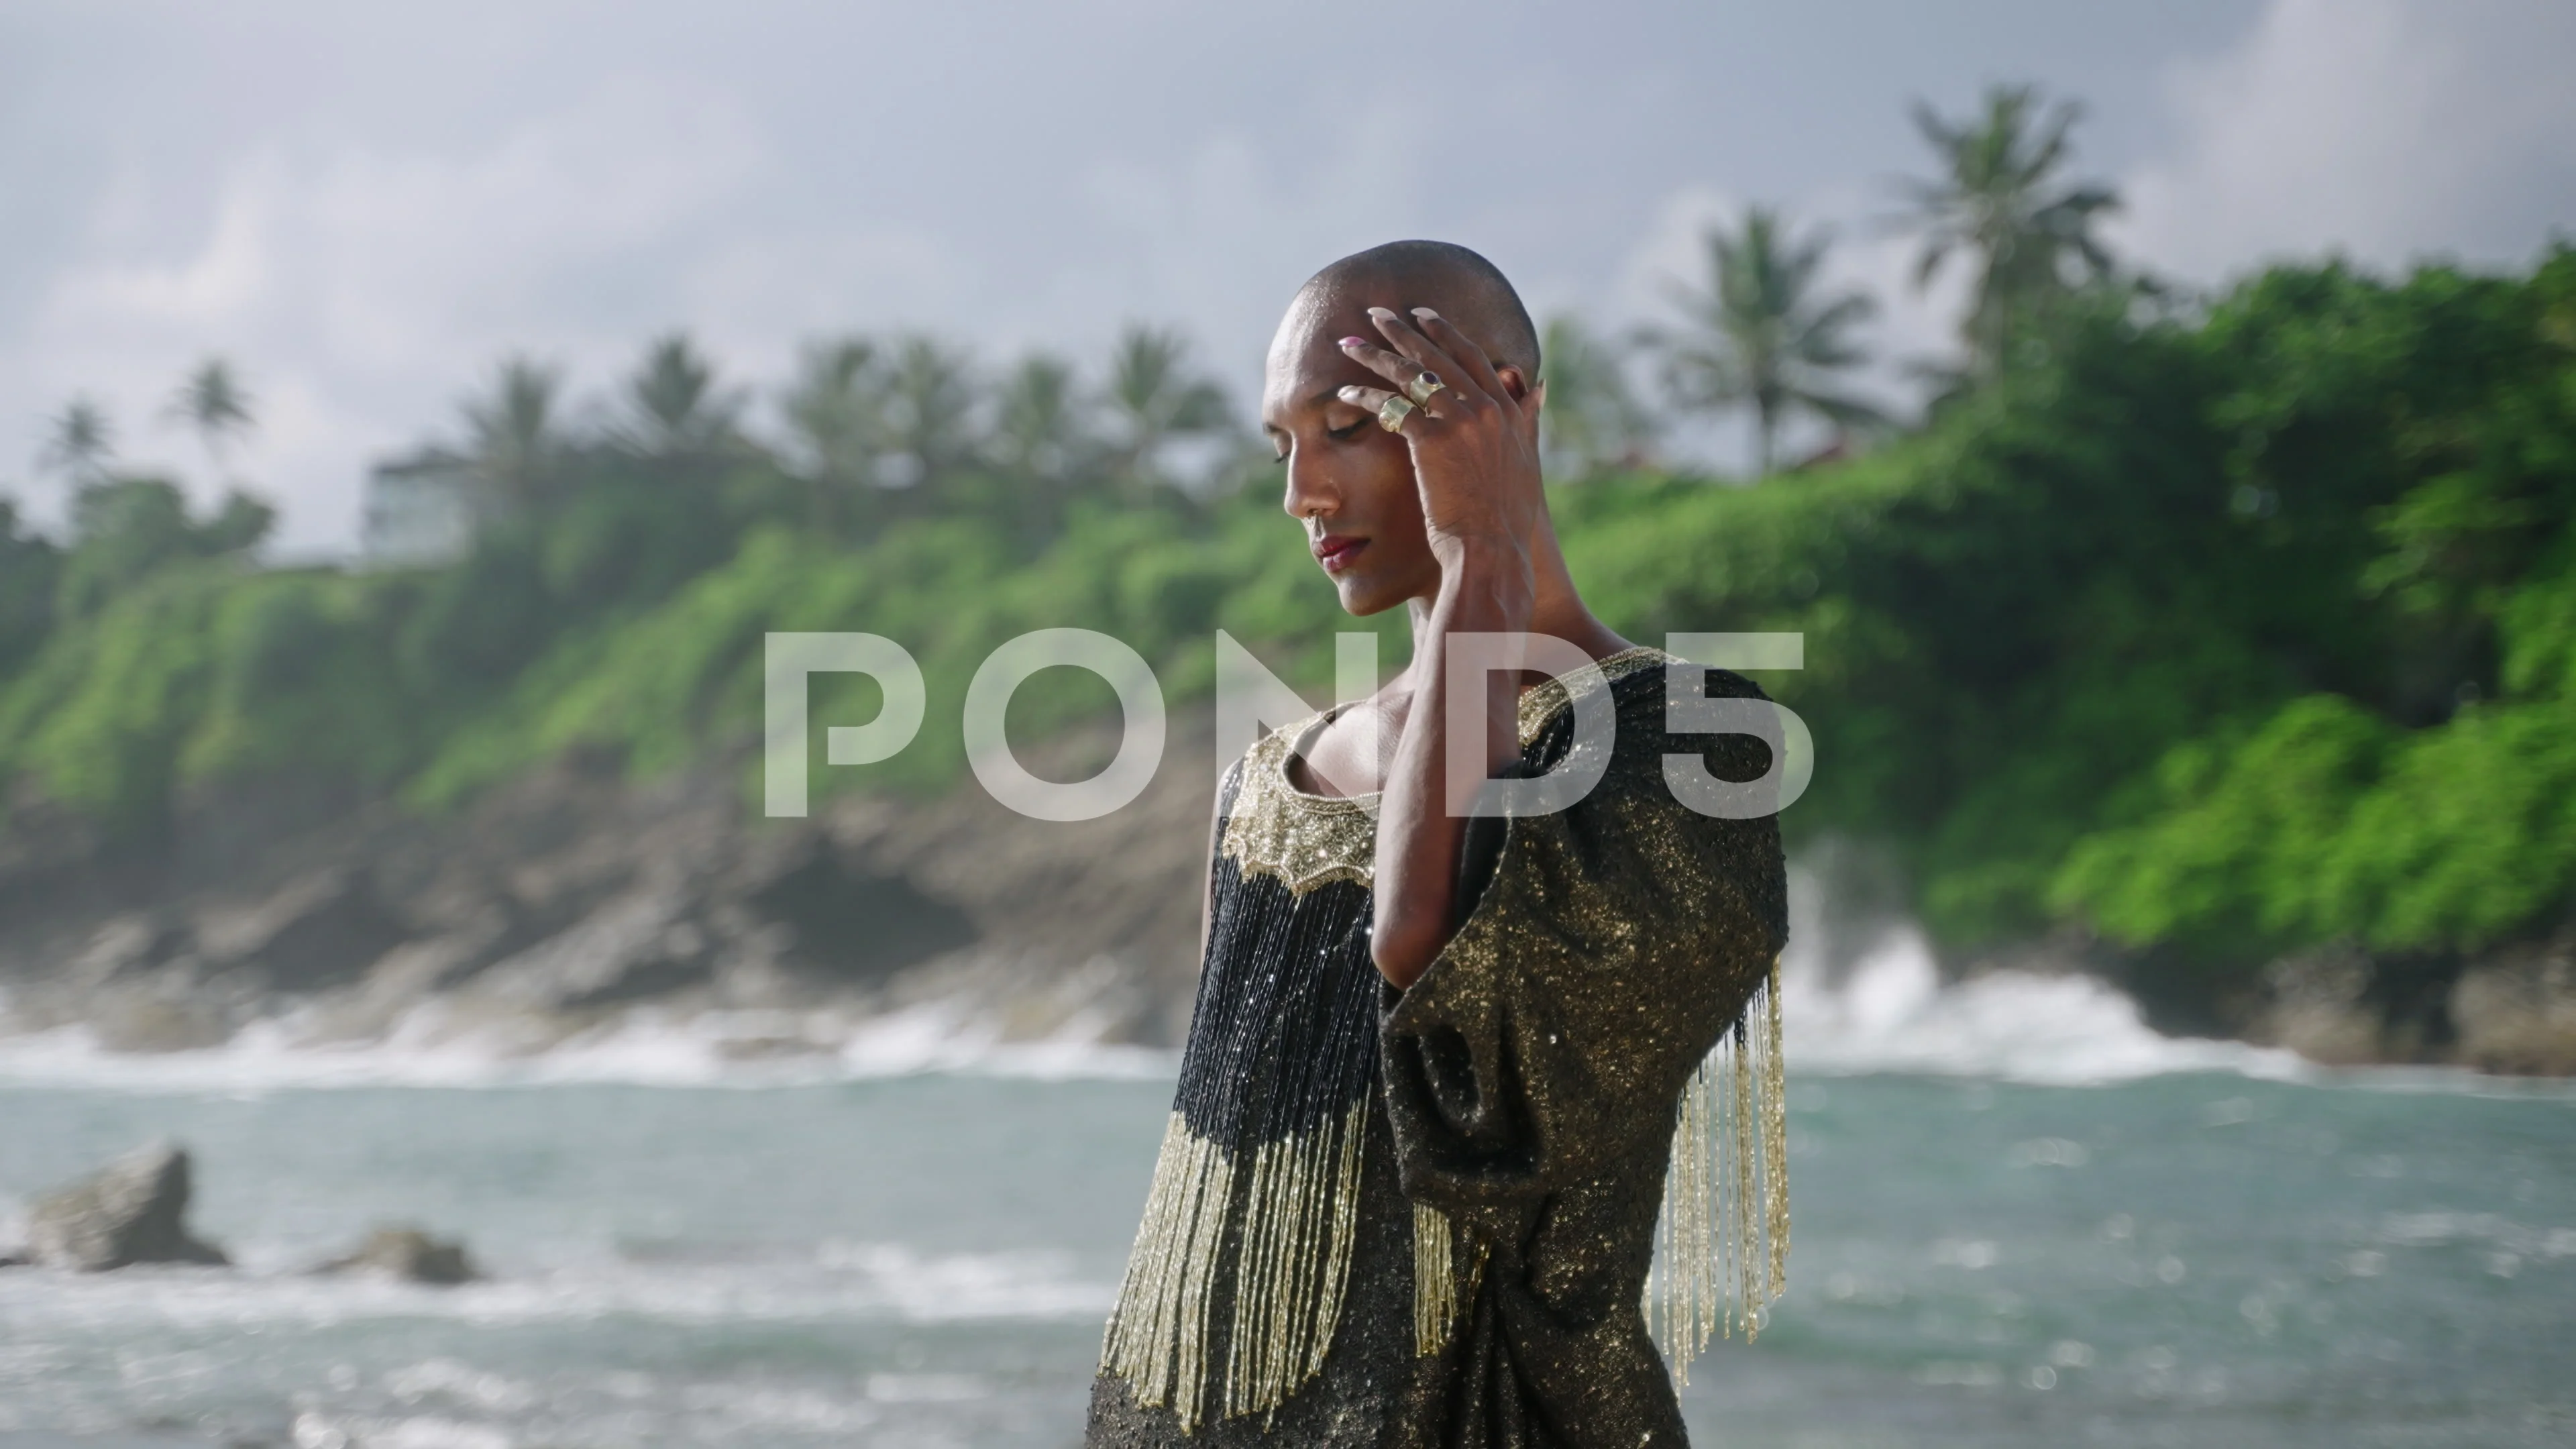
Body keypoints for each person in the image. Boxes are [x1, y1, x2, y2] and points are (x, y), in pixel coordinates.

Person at [1087, 240, 1790, 1448]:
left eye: (1351, 428)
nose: (1302, 493)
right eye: (1282, 448)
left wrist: (1487, 567)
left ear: (1502, 409)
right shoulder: (1267, 780)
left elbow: (1421, 958)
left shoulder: (1683, 744)